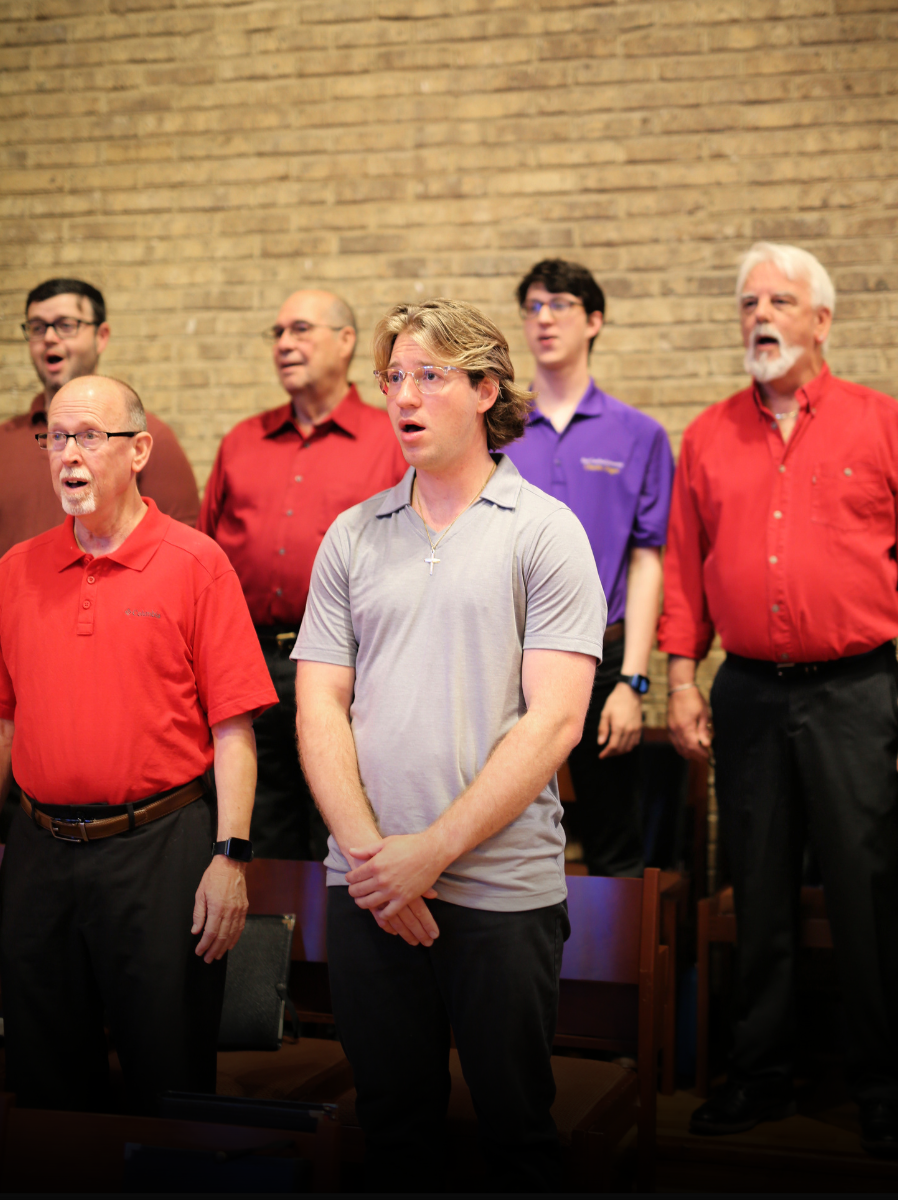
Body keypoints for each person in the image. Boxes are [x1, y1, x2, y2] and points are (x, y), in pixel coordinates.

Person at [293, 298, 606, 1192]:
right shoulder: (352, 536)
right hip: (368, 887)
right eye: (394, 376)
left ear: (484, 389)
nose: (404, 395)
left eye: (430, 375)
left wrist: (428, 853)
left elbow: (554, 723)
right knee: (392, 1136)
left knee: (515, 1135)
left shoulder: (544, 532)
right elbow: (319, 709)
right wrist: (372, 863)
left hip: (499, 893)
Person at [659, 242, 898, 1156]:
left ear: (821, 321)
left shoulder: (879, 424)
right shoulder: (709, 435)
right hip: (750, 693)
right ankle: (756, 1072)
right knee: (754, 886)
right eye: (748, 301)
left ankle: (879, 1084)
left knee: (867, 890)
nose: (760, 315)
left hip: (856, 692)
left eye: (780, 301)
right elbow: (685, 568)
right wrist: (682, 678)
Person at [0, 375, 277, 1116]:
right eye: (56, 437)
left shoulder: (195, 563)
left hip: (161, 850)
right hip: (37, 851)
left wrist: (232, 856)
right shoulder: (15, 571)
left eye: (89, 436)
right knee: (42, 1085)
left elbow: (234, 728)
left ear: (139, 449)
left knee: (169, 1079)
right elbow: (3, 724)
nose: (68, 455)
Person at [199, 289, 406, 861]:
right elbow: (205, 561)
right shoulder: (242, 441)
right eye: (277, 333)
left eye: (300, 330)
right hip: (250, 666)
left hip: (354, 667)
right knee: (253, 835)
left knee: (343, 832)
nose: (285, 343)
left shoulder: (390, 437)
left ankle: (340, 952)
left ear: (346, 341)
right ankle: (263, 954)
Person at [504, 258, 674, 877]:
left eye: (561, 305)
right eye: (533, 307)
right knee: (500, 835)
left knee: (612, 847)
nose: (544, 319)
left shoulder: (639, 434)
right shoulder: (495, 428)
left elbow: (647, 559)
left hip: (602, 662)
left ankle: (613, 975)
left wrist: (634, 683)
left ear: (594, 320)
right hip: (504, 659)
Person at [0, 277, 200, 560]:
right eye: (37, 327)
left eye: (66, 325)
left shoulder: (145, 438)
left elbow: (182, 553)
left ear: (101, 335)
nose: (49, 338)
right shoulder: (2, 442)